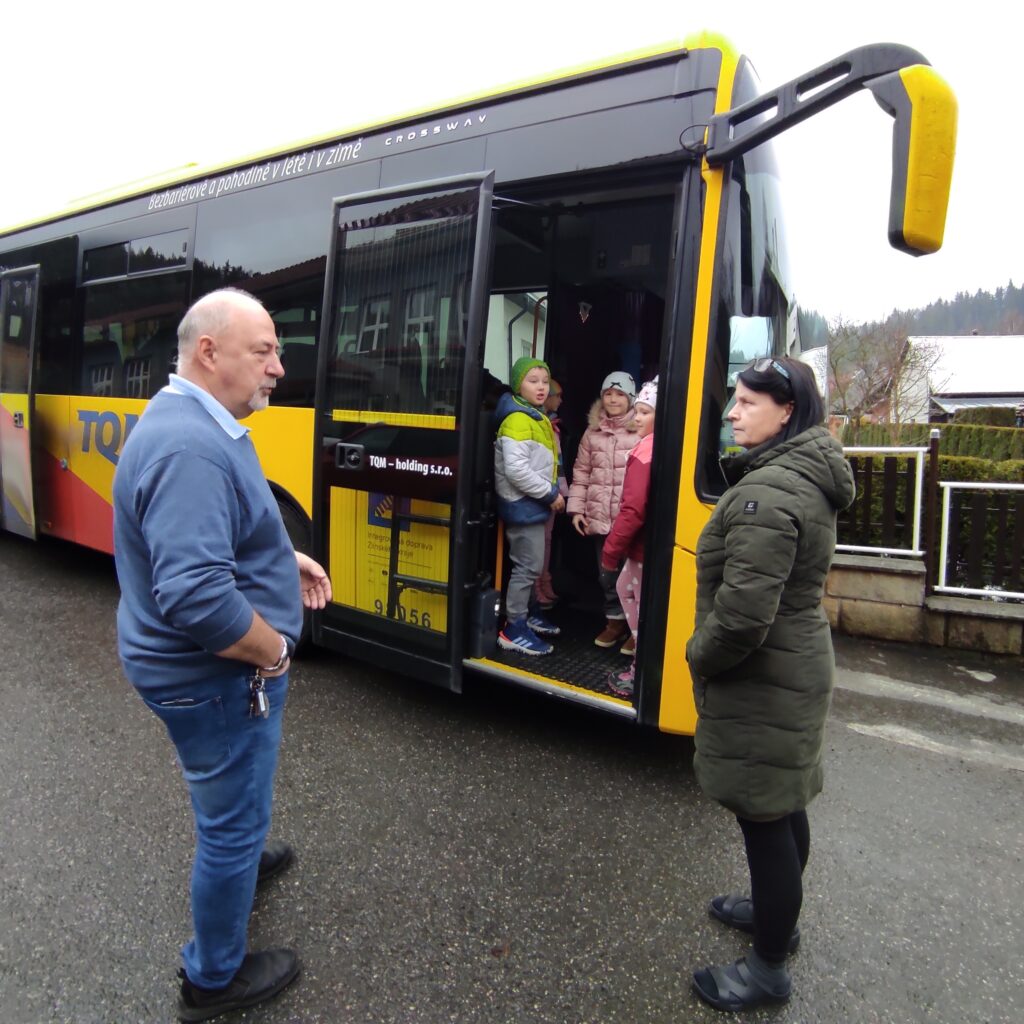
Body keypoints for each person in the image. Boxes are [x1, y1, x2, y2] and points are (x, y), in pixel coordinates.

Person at [112, 288, 332, 1022]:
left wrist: (278, 559)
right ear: (209, 352)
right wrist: (272, 654)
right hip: (212, 679)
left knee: (232, 799)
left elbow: (213, 538)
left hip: (193, 674)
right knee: (229, 826)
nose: (278, 368)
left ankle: (241, 849)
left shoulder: (191, 420)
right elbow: (198, 597)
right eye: (264, 351)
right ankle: (213, 980)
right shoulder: (191, 447)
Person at [685, 356, 855, 1013]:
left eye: (748, 402)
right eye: (735, 399)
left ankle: (768, 968)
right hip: (793, 666)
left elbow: (743, 616)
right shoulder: (798, 474)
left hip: (765, 676)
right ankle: (773, 915)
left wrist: (699, 655)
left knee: (765, 816)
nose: (732, 412)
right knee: (784, 804)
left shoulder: (771, 491)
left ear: (786, 413)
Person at [494, 356, 564, 655]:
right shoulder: (518, 420)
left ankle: (531, 613)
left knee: (531, 564)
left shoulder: (533, 416)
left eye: (545, 382)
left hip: (530, 503)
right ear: (517, 385)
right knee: (528, 566)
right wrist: (550, 494)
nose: (541, 387)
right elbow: (517, 471)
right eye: (533, 381)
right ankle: (514, 628)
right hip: (523, 503)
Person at [566, 371, 639, 647]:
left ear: (630, 399)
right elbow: (581, 472)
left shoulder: (640, 430)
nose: (613, 399)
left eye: (620, 394)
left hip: (628, 519)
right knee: (606, 574)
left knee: (632, 575)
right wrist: (576, 510)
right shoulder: (592, 432)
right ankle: (615, 622)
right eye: (608, 393)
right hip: (599, 516)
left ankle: (635, 628)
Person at [600, 377, 657, 695]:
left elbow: (633, 508)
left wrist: (611, 550)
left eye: (645, 412)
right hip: (645, 546)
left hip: (641, 547)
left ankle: (641, 665)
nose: (637, 417)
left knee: (636, 600)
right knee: (626, 588)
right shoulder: (653, 445)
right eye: (638, 411)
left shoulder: (644, 452)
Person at [534, 377, 568, 609]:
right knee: (539, 542)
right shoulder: (542, 424)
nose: (561, 400)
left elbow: (559, 462)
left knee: (547, 539)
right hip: (543, 490)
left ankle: (544, 580)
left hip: (553, 489)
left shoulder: (553, 424)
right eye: (558, 396)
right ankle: (537, 586)